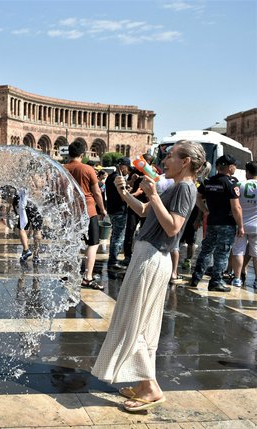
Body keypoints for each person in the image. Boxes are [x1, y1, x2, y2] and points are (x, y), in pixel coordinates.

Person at [92, 140, 208, 412]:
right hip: (148, 254)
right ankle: (144, 382)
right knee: (138, 321)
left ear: (186, 162)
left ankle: (150, 387)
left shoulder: (185, 187)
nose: (164, 160)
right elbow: (145, 212)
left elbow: (173, 228)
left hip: (153, 256)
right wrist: (125, 194)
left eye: (170, 156)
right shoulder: (175, 186)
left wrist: (154, 195)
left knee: (137, 321)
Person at [189, 154, 244, 292]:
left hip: (212, 222)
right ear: (230, 167)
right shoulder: (231, 183)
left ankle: (196, 278)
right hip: (226, 223)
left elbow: (197, 197)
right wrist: (241, 226)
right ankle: (216, 282)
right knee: (222, 253)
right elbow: (236, 207)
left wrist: (205, 210)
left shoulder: (208, 181)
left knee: (206, 250)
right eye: (234, 166)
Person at [64, 141, 107, 289]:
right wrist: (102, 209)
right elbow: (96, 192)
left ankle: (70, 273)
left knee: (72, 243)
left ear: (69, 153)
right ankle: (87, 277)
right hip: (88, 211)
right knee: (93, 243)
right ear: (82, 154)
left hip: (70, 212)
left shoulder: (62, 169)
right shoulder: (88, 169)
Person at [230, 161, 257, 288]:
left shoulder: (238, 185)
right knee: (256, 254)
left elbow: (234, 206)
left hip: (240, 224)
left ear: (247, 172)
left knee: (238, 251)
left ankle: (237, 278)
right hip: (256, 226)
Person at [105, 158, 131, 270]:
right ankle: (113, 261)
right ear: (123, 166)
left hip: (112, 209)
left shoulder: (111, 177)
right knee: (118, 236)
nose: (128, 171)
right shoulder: (118, 178)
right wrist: (134, 192)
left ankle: (112, 259)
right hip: (119, 211)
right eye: (127, 168)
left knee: (115, 235)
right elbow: (123, 196)